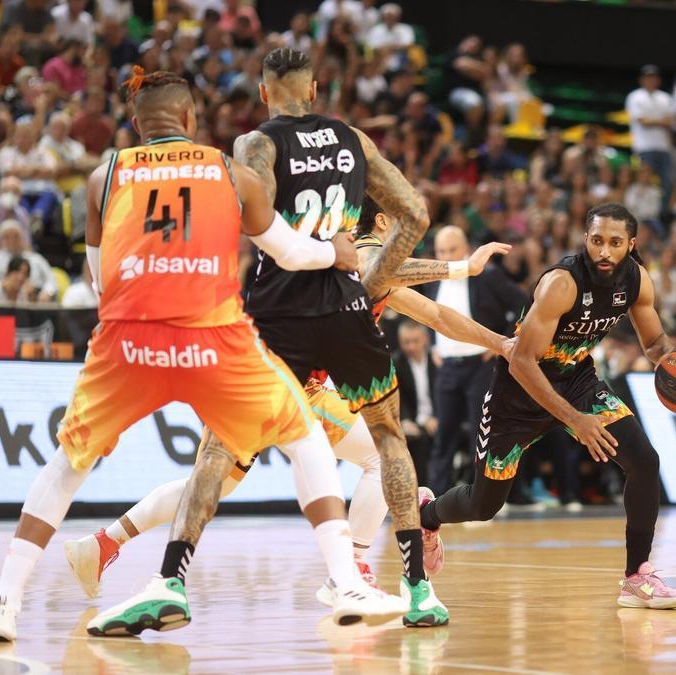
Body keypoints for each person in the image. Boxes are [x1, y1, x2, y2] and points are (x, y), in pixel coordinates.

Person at [0, 68, 396, 643]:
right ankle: (346, 582)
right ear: (191, 121)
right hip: (212, 339)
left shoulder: (104, 176)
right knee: (303, 437)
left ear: (134, 123)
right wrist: (335, 252)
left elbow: (101, 282)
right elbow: (293, 253)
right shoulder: (228, 171)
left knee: (67, 464)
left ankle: (3, 602)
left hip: (129, 341)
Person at [63, 198, 512, 631]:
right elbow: (408, 288)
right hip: (290, 386)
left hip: (249, 379)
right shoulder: (363, 254)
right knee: (382, 456)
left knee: (209, 484)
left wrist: (501, 343)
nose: (412, 236)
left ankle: (106, 542)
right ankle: (351, 571)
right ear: (380, 223)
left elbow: (436, 314)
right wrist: (462, 270)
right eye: (404, 224)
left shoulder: (345, 261)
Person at [226, 48, 458, 624]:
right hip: (344, 310)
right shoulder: (352, 139)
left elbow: (244, 221)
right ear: (314, 89)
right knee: (387, 444)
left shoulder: (257, 145)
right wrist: (369, 277)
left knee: (220, 459)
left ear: (263, 93)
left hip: (278, 317)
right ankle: (411, 588)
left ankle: (165, 570)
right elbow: (415, 214)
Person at [420, 202, 676, 610]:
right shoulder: (562, 283)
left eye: (615, 242)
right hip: (517, 393)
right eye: (597, 240)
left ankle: (636, 575)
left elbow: (654, 343)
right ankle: (429, 516)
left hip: (577, 381)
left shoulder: (637, 281)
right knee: (484, 505)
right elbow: (520, 361)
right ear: (586, 239)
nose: (605, 250)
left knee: (644, 461)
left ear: (631, 244)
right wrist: (575, 421)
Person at [426, 225, 527, 495]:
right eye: (441, 251)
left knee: (481, 434)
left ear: (466, 250)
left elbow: (524, 305)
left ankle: (481, 496)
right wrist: (432, 345)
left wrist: (500, 343)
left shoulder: (488, 276)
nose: (447, 256)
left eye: (452, 250)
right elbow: (422, 312)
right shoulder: (432, 278)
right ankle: (436, 498)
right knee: (444, 434)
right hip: (446, 367)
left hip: (481, 366)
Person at [626, 65, 675, 217]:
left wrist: (651, 120)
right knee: (643, 184)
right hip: (644, 148)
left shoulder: (665, 98)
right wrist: (661, 121)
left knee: (667, 184)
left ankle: (659, 216)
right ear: (642, 79)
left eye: (653, 77)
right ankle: (640, 216)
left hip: (663, 148)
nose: (650, 80)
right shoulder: (635, 96)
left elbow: (671, 121)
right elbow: (642, 122)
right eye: (647, 77)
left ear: (658, 80)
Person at [395, 321, 438, 485]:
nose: (411, 347)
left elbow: (445, 394)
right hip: (412, 421)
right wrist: (405, 421)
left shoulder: (437, 360)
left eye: (415, 341)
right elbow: (399, 398)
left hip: (436, 419)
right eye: (406, 342)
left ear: (425, 339)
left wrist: (436, 417)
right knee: (417, 442)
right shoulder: (396, 363)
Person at [0, 220, 59, 301]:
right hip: (2, 298)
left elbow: (51, 279)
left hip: (35, 298)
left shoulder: (36, 258)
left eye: (15, 236)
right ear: (1, 239)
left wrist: (47, 292)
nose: (11, 240)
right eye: (7, 237)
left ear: (23, 238)